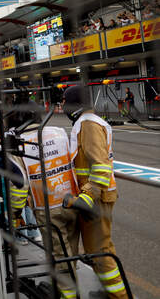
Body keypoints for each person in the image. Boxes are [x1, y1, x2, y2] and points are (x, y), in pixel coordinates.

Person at [5, 104, 80, 298]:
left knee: (60, 258)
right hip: (73, 200)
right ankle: (65, 289)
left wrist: (13, 213)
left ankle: (68, 295)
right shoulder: (58, 131)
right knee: (70, 253)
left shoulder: (18, 144)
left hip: (47, 208)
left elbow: (20, 187)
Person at [62, 85, 127, 298]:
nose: (62, 105)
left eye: (64, 101)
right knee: (98, 251)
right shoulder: (86, 122)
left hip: (95, 198)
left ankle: (120, 296)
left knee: (101, 253)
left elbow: (100, 165)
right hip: (94, 196)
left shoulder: (88, 124)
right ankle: (109, 292)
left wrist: (88, 196)